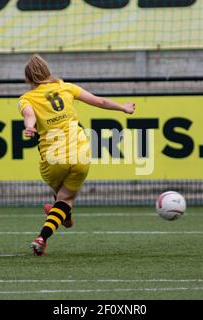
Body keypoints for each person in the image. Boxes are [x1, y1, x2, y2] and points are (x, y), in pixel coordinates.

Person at [18, 54, 136, 256]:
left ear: (28, 79)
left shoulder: (26, 99)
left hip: (52, 157)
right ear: (47, 72)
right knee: (65, 199)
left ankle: (52, 226)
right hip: (80, 152)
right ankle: (56, 225)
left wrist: (30, 128)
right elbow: (100, 101)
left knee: (61, 197)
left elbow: (29, 115)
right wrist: (122, 107)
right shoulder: (66, 87)